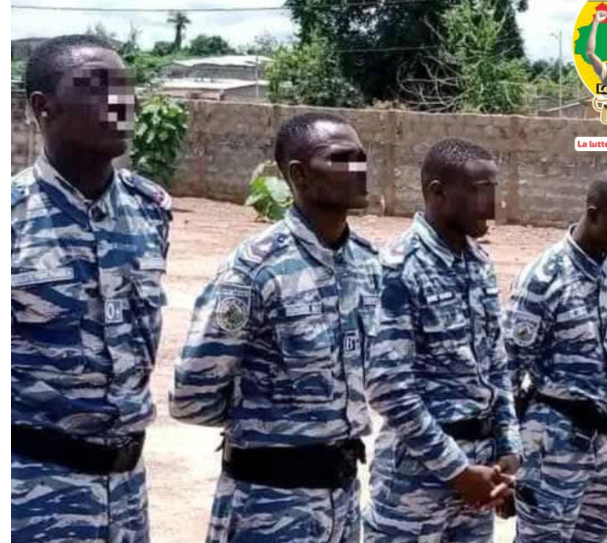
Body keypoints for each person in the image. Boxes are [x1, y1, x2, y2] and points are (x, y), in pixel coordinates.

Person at [170, 113, 380, 543]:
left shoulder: (367, 263)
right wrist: (269, 421)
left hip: (342, 500)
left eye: (361, 156)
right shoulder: (255, 270)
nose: (358, 168)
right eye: (341, 158)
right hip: (269, 504)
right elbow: (192, 395)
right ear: (298, 175)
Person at [11, 34, 171, 543]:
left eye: (125, 86)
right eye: (97, 86)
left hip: (126, 494)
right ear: (44, 107)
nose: (121, 100)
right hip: (29, 496)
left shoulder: (150, 210)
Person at [364, 138, 520, 543]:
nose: (492, 205)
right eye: (480, 191)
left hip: (480, 474)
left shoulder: (478, 264)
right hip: (416, 483)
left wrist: (508, 448)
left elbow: (496, 366)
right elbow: (388, 387)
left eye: (494, 190)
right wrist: (457, 470)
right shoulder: (401, 267)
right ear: (438, 193)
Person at [505, 168, 607, 543]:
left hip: (603, 444)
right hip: (553, 446)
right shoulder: (544, 278)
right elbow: (507, 371)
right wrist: (505, 455)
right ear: (594, 214)